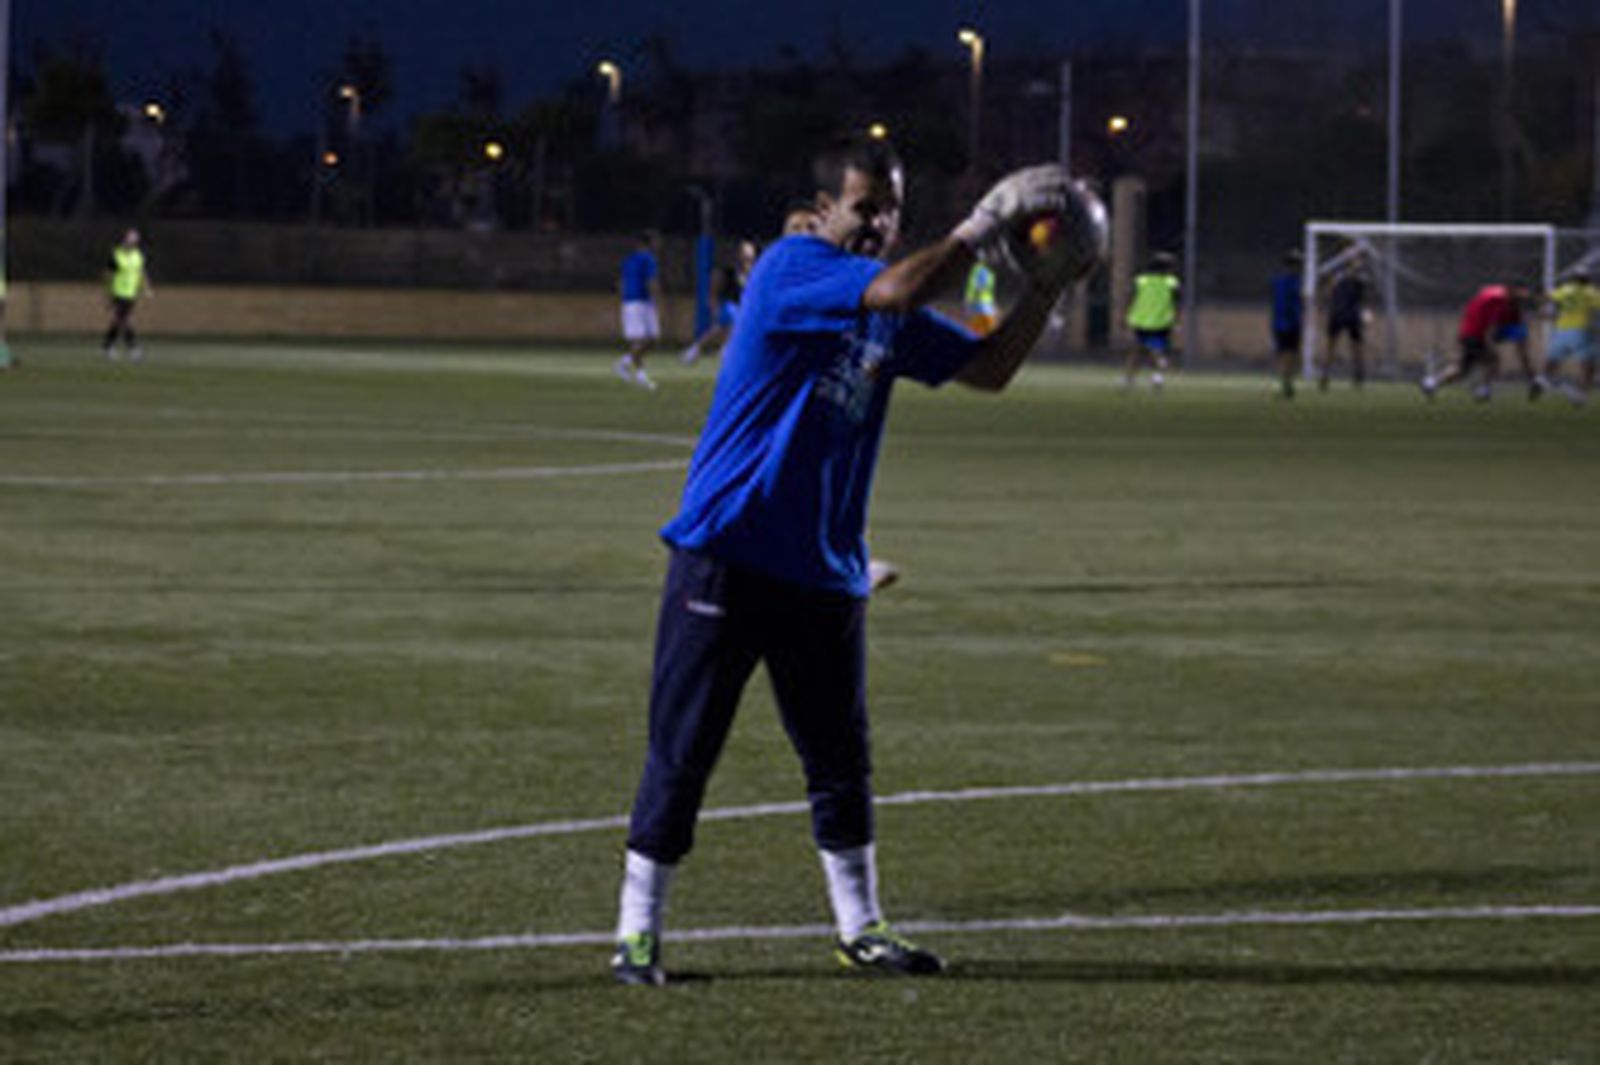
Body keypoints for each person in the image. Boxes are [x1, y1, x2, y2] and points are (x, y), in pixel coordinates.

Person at [609, 138, 1092, 986]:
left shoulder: (887, 311)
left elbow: (987, 369)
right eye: (865, 205)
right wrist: (984, 224)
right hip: (726, 551)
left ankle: (860, 926)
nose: (878, 222)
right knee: (683, 750)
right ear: (826, 206)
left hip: (825, 573)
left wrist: (1041, 292)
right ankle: (637, 933)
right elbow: (903, 283)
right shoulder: (796, 266)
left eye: (891, 208)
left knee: (840, 762)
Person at [1419, 282, 1534, 401]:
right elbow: (1491, 326)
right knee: (1492, 361)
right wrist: (1490, 345)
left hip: (1469, 331)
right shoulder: (1499, 301)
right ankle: (1483, 391)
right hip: (1476, 334)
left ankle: (1431, 383)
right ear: (1511, 289)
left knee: (1462, 369)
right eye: (1521, 291)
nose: (1524, 295)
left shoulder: (1495, 294)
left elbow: (1480, 305)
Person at [681, 240, 758, 365]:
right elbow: (715, 286)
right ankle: (725, 349)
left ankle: (697, 349)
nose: (748, 258)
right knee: (733, 321)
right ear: (739, 255)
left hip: (742, 306)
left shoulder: (753, 273)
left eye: (751, 256)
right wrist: (713, 303)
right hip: (728, 304)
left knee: (719, 329)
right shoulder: (730, 272)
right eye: (746, 255)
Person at [1539, 267, 1600, 405]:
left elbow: (1547, 297)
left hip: (1561, 330)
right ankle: (1580, 394)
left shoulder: (1565, 289)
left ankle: (1544, 381)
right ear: (1587, 279)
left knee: (1552, 361)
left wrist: (1547, 311)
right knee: (1589, 366)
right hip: (1580, 330)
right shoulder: (1590, 291)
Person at [1123, 251, 1180, 391]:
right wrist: (1176, 320)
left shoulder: (1141, 281)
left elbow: (1130, 297)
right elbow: (1177, 301)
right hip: (1161, 322)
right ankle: (1157, 376)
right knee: (1157, 350)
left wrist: (1125, 315)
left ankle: (1129, 379)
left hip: (1140, 320)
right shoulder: (1172, 283)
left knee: (1136, 351)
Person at [615, 230, 662, 390]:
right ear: (648, 243)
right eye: (656, 241)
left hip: (630, 302)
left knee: (653, 337)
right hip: (640, 302)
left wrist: (623, 299)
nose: (658, 244)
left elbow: (620, 282)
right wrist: (656, 299)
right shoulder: (648, 259)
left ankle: (624, 363)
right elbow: (652, 281)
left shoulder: (627, 261)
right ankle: (641, 376)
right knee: (639, 340)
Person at [1320, 251, 1368, 390]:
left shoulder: (1360, 277)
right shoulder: (1337, 276)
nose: (1357, 262)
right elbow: (1327, 292)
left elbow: (1362, 291)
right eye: (1354, 259)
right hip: (1338, 314)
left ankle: (1358, 376)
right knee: (1331, 346)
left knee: (1357, 347)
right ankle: (1325, 375)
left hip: (1352, 314)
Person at [103, 228, 152, 362]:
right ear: (124, 240)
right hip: (118, 292)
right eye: (129, 240)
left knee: (118, 321)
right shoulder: (116, 255)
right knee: (125, 320)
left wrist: (146, 287)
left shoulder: (138, 256)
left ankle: (108, 346)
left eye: (134, 241)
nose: (131, 244)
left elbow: (141, 272)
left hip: (131, 293)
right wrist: (108, 295)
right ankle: (133, 349)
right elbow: (108, 276)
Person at [1270, 249, 1305, 399]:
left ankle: (1286, 381)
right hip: (1290, 323)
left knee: (1284, 353)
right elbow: (1291, 304)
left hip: (1279, 323)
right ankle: (1287, 382)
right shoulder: (1293, 282)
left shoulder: (1278, 281)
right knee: (1290, 354)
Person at [963, 260, 998, 336]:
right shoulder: (980, 270)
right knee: (979, 329)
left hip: (984, 304)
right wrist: (969, 300)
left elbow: (988, 291)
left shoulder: (989, 273)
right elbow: (974, 285)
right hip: (979, 304)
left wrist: (993, 304)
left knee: (980, 329)